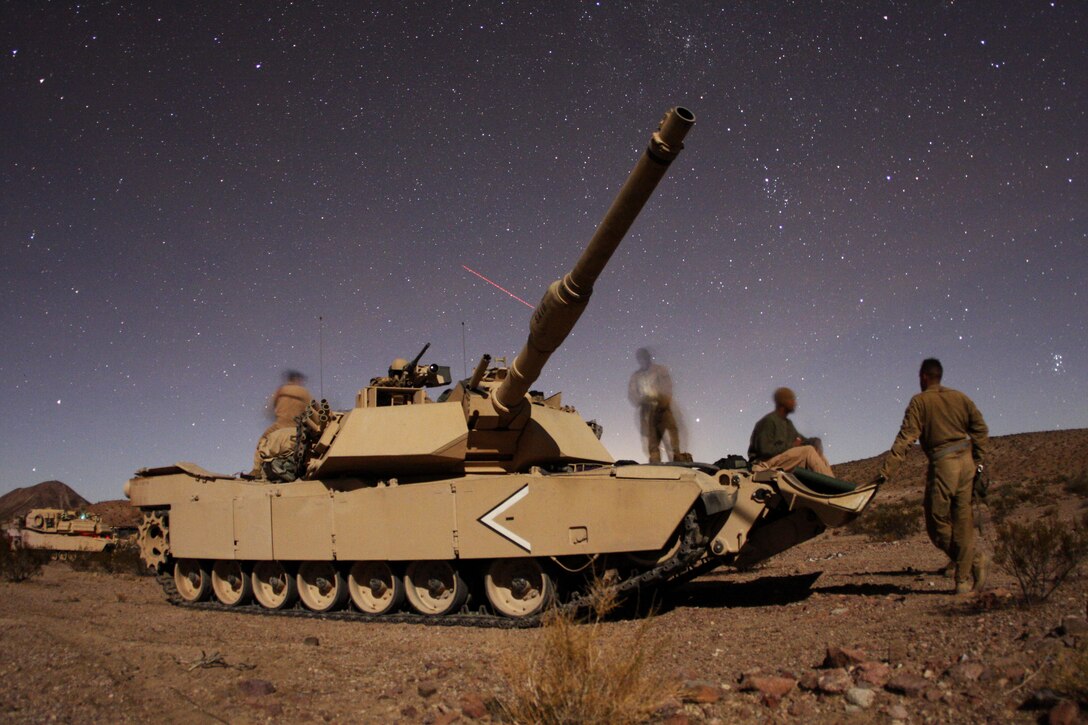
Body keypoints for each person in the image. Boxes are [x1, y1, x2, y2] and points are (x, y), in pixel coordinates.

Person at [874, 358, 990, 595]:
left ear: (924, 377)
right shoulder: (960, 397)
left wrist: (885, 472)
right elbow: (980, 429)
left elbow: (906, 438)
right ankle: (963, 582)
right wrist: (978, 462)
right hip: (966, 461)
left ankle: (974, 561)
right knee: (963, 522)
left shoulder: (920, 402)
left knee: (936, 523)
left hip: (944, 464)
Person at [747, 387, 834, 476]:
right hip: (764, 464)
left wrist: (814, 441)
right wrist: (792, 446)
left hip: (780, 461)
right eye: (792, 400)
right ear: (783, 401)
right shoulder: (769, 421)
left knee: (820, 455)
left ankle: (835, 484)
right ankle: (832, 488)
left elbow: (802, 440)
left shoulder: (788, 424)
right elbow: (765, 451)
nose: (795, 403)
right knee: (808, 451)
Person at [628, 348, 687, 463]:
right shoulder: (636, 376)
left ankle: (676, 454)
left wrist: (663, 402)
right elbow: (632, 393)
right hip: (648, 409)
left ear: (648, 357)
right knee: (652, 435)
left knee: (671, 429)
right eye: (641, 358)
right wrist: (642, 401)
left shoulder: (660, 370)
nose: (643, 360)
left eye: (645, 357)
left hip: (663, 405)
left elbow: (667, 386)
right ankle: (655, 456)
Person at [251, 370, 312, 477]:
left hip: (280, 425)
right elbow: (312, 409)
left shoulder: (281, 390)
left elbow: (271, 408)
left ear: (290, 380)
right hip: (298, 427)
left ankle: (256, 470)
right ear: (298, 380)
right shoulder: (305, 393)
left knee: (262, 442)